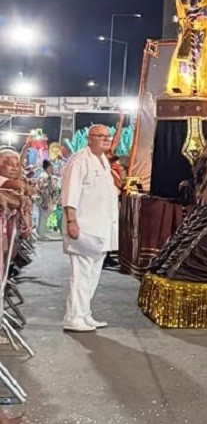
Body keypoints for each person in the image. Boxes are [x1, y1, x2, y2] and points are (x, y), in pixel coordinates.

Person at [59, 125, 119, 332]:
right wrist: (71, 221)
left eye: (108, 136)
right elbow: (70, 194)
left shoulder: (103, 160)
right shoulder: (79, 160)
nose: (106, 139)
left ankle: (84, 314)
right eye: (101, 136)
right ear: (89, 138)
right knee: (81, 274)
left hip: (100, 227)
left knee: (92, 274)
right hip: (83, 226)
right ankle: (73, 318)